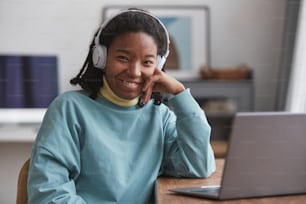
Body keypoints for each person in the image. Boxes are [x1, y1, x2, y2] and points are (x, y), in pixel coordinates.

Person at [27, 8, 216, 204]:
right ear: (100, 57)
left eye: (147, 62)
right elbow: (48, 195)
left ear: (158, 67)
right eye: (123, 58)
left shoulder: (160, 116)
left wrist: (179, 93)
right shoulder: (69, 109)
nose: (134, 72)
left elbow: (198, 166)